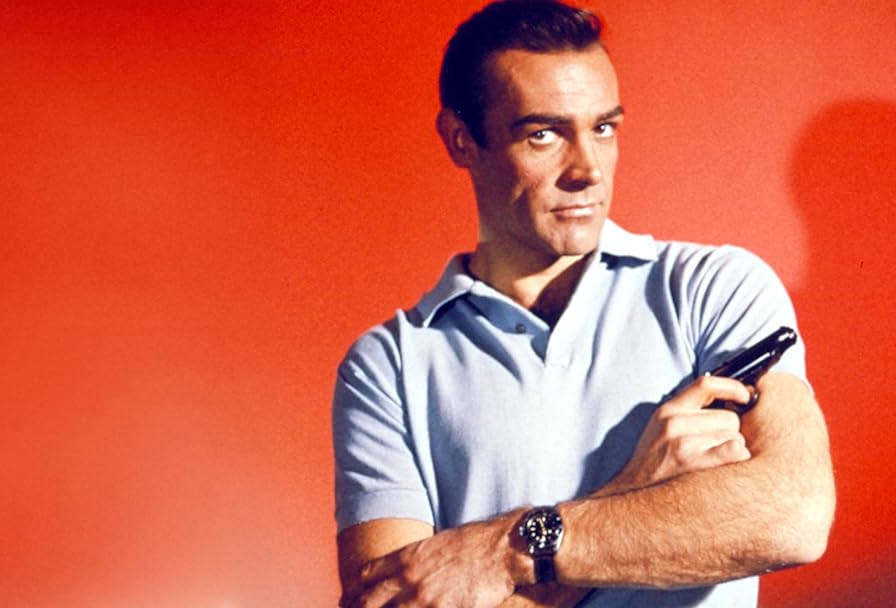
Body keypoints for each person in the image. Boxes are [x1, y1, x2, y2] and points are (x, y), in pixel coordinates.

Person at [330, 1, 835, 607]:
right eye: (543, 134)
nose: (588, 169)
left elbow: (793, 514)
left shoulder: (714, 289)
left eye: (603, 128)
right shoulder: (387, 367)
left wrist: (500, 553)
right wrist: (635, 487)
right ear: (461, 139)